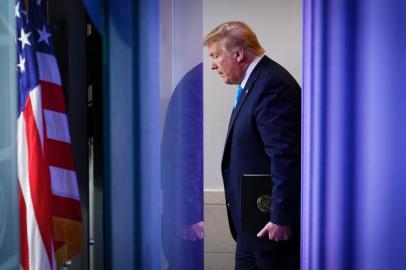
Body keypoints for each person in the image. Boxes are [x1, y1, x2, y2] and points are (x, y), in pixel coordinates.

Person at [203, 21, 301, 270]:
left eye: (216, 56)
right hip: (252, 226)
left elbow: (285, 158)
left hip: (271, 229)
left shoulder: (271, 85)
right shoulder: (253, 84)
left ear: (238, 54)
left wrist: (281, 217)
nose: (213, 64)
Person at [161, 63, 204, 270]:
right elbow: (186, 152)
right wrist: (190, 215)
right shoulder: (198, 83)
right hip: (190, 219)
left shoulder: (198, 79)